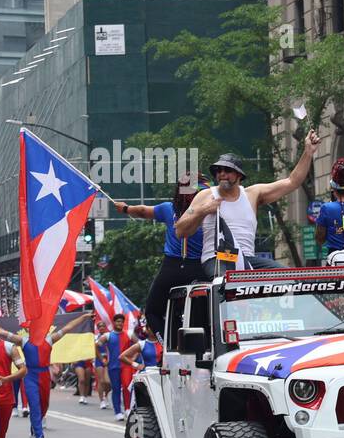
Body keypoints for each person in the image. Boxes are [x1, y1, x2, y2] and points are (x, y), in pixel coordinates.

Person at [177, 130, 321, 274]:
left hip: (247, 260)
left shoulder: (252, 194)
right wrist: (203, 210)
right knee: (228, 282)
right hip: (217, 259)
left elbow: (292, 182)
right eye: (218, 170)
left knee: (288, 276)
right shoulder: (205, 195)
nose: (222, 174)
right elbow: (180, 230)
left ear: (239, 174)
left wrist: (308, 152)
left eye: (227, 170)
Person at [113, 174, 207, 340]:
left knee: (152, 312)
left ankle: (166, 343)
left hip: (172, 268)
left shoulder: (168, 209)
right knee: (203, 311)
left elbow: (142, 211)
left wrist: (125, 208)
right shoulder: (208, 213)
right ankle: (205, 343)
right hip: (199, 268)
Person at [0, 312, 91, 438]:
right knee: (34, 405)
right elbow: (4, 333)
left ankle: (34, 428)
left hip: (44, 375)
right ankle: (39, 436)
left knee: (44, 405)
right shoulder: (23, 341)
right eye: (32, 328)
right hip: (30, 375)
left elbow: (67, 328)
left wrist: (83, 318)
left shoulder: (49, 339)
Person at [99, 313, 136, 420]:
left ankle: (128, 409)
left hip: (126, 366)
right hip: (113, 366)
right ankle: (118, 411)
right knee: (115, 388)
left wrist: (133, 357)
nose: (120, 323)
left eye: (122, 321)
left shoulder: (129, 334)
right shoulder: (107, 336)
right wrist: (102, 359)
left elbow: (140, 345)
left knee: (126, 386)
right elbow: (96, 346)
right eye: (118, 321)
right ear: (114, 323)